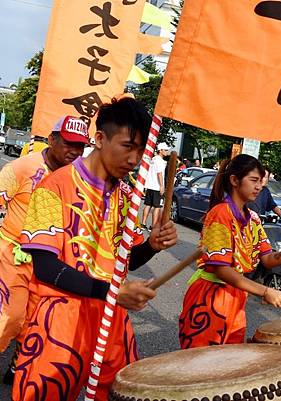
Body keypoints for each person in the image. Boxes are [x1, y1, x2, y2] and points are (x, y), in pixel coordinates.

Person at [12, 97, 179, 401]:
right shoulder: (55, 186)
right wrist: (113, 292)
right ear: (100, 138)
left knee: (123, 393)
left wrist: (152, 246)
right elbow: (46, 267)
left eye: (142, 150)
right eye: (128, 146)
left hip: (110, 316)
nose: (134, 159)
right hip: (61, 315)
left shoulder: (126, 195)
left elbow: (125, 260)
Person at [178, 155, 281, 349]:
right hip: (211, 298)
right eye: (254, 180)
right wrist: (265, 291)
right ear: (234, 180)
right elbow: (221, 269)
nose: (259, 187)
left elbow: (267, 259)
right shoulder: (220, 214)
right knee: (202, 366)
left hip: (236, 296)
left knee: (229, 361)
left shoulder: (253, 219)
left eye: (261, 181)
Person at [0, 116, 89, 385]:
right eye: (68, 143)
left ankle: (17, 368)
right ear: (51, 140)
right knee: (10, 316)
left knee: (38, 319)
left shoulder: (78, 178)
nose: (74, 151)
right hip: (11, 253)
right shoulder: (24, 166)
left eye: (80, 146)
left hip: (50, 261)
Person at [141, 142, 170, 230]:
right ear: (160, 150)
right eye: (165, 150)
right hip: (157, 186)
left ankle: (143, 223)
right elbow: (159, 174)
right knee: (157, 207)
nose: (167, 152)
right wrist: (162, 186)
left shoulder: (152, 159)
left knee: (147, 205)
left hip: (150, 185)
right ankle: (153, 226)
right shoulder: (160, 161)